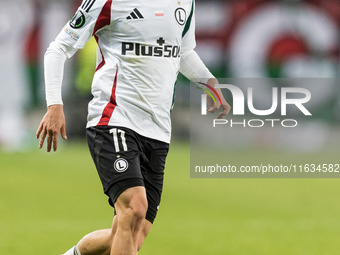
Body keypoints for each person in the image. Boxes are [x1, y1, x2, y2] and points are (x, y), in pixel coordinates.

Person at [36, 0, 230, 254]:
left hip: (158, 129)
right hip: (114, 117)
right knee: (134, 208)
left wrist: (210, 83)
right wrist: (54, 105)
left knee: (131, 233)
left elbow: (182, 52)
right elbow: (58, 47)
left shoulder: (185, 3)